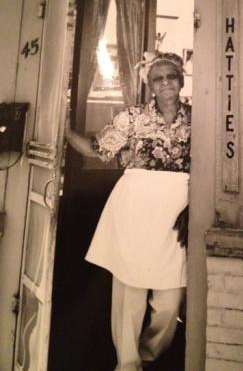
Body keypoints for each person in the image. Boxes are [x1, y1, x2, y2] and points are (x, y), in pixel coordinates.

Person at [65, 51, 191, 371]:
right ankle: (127, 362)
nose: (165, 83)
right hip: (134, 208)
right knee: (129, 291)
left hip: (176, 213)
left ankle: (150, 353)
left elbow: (211, 168)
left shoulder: (198, 117)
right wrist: (61, 128)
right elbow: (98, 151)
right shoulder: (131, 118)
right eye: (158, 78)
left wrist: (196, 208)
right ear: (149, 85)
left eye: (171, 76)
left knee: (169, 298)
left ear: (181, 80)